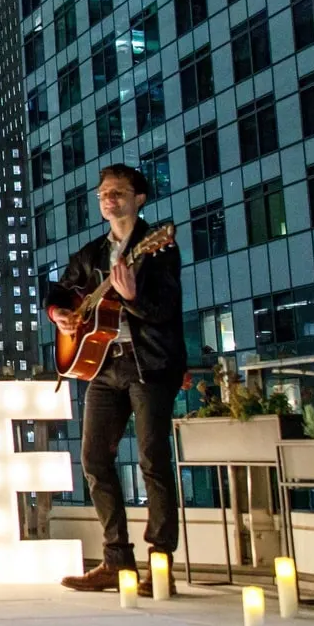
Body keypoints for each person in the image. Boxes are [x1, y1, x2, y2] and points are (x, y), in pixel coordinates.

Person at [46, 163, 185, 597]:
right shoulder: (90, 255)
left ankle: (160, 567)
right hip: (103, 366)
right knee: (93, 461)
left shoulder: (158, 247)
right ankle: (116, 562)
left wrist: (132, 298)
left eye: (119, 192)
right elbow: (58, 292)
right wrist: (60, 314)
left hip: (150, 366)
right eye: (104, 192)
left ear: (139, 198)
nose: (109, 198)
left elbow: (165, 310)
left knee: (153, 463)